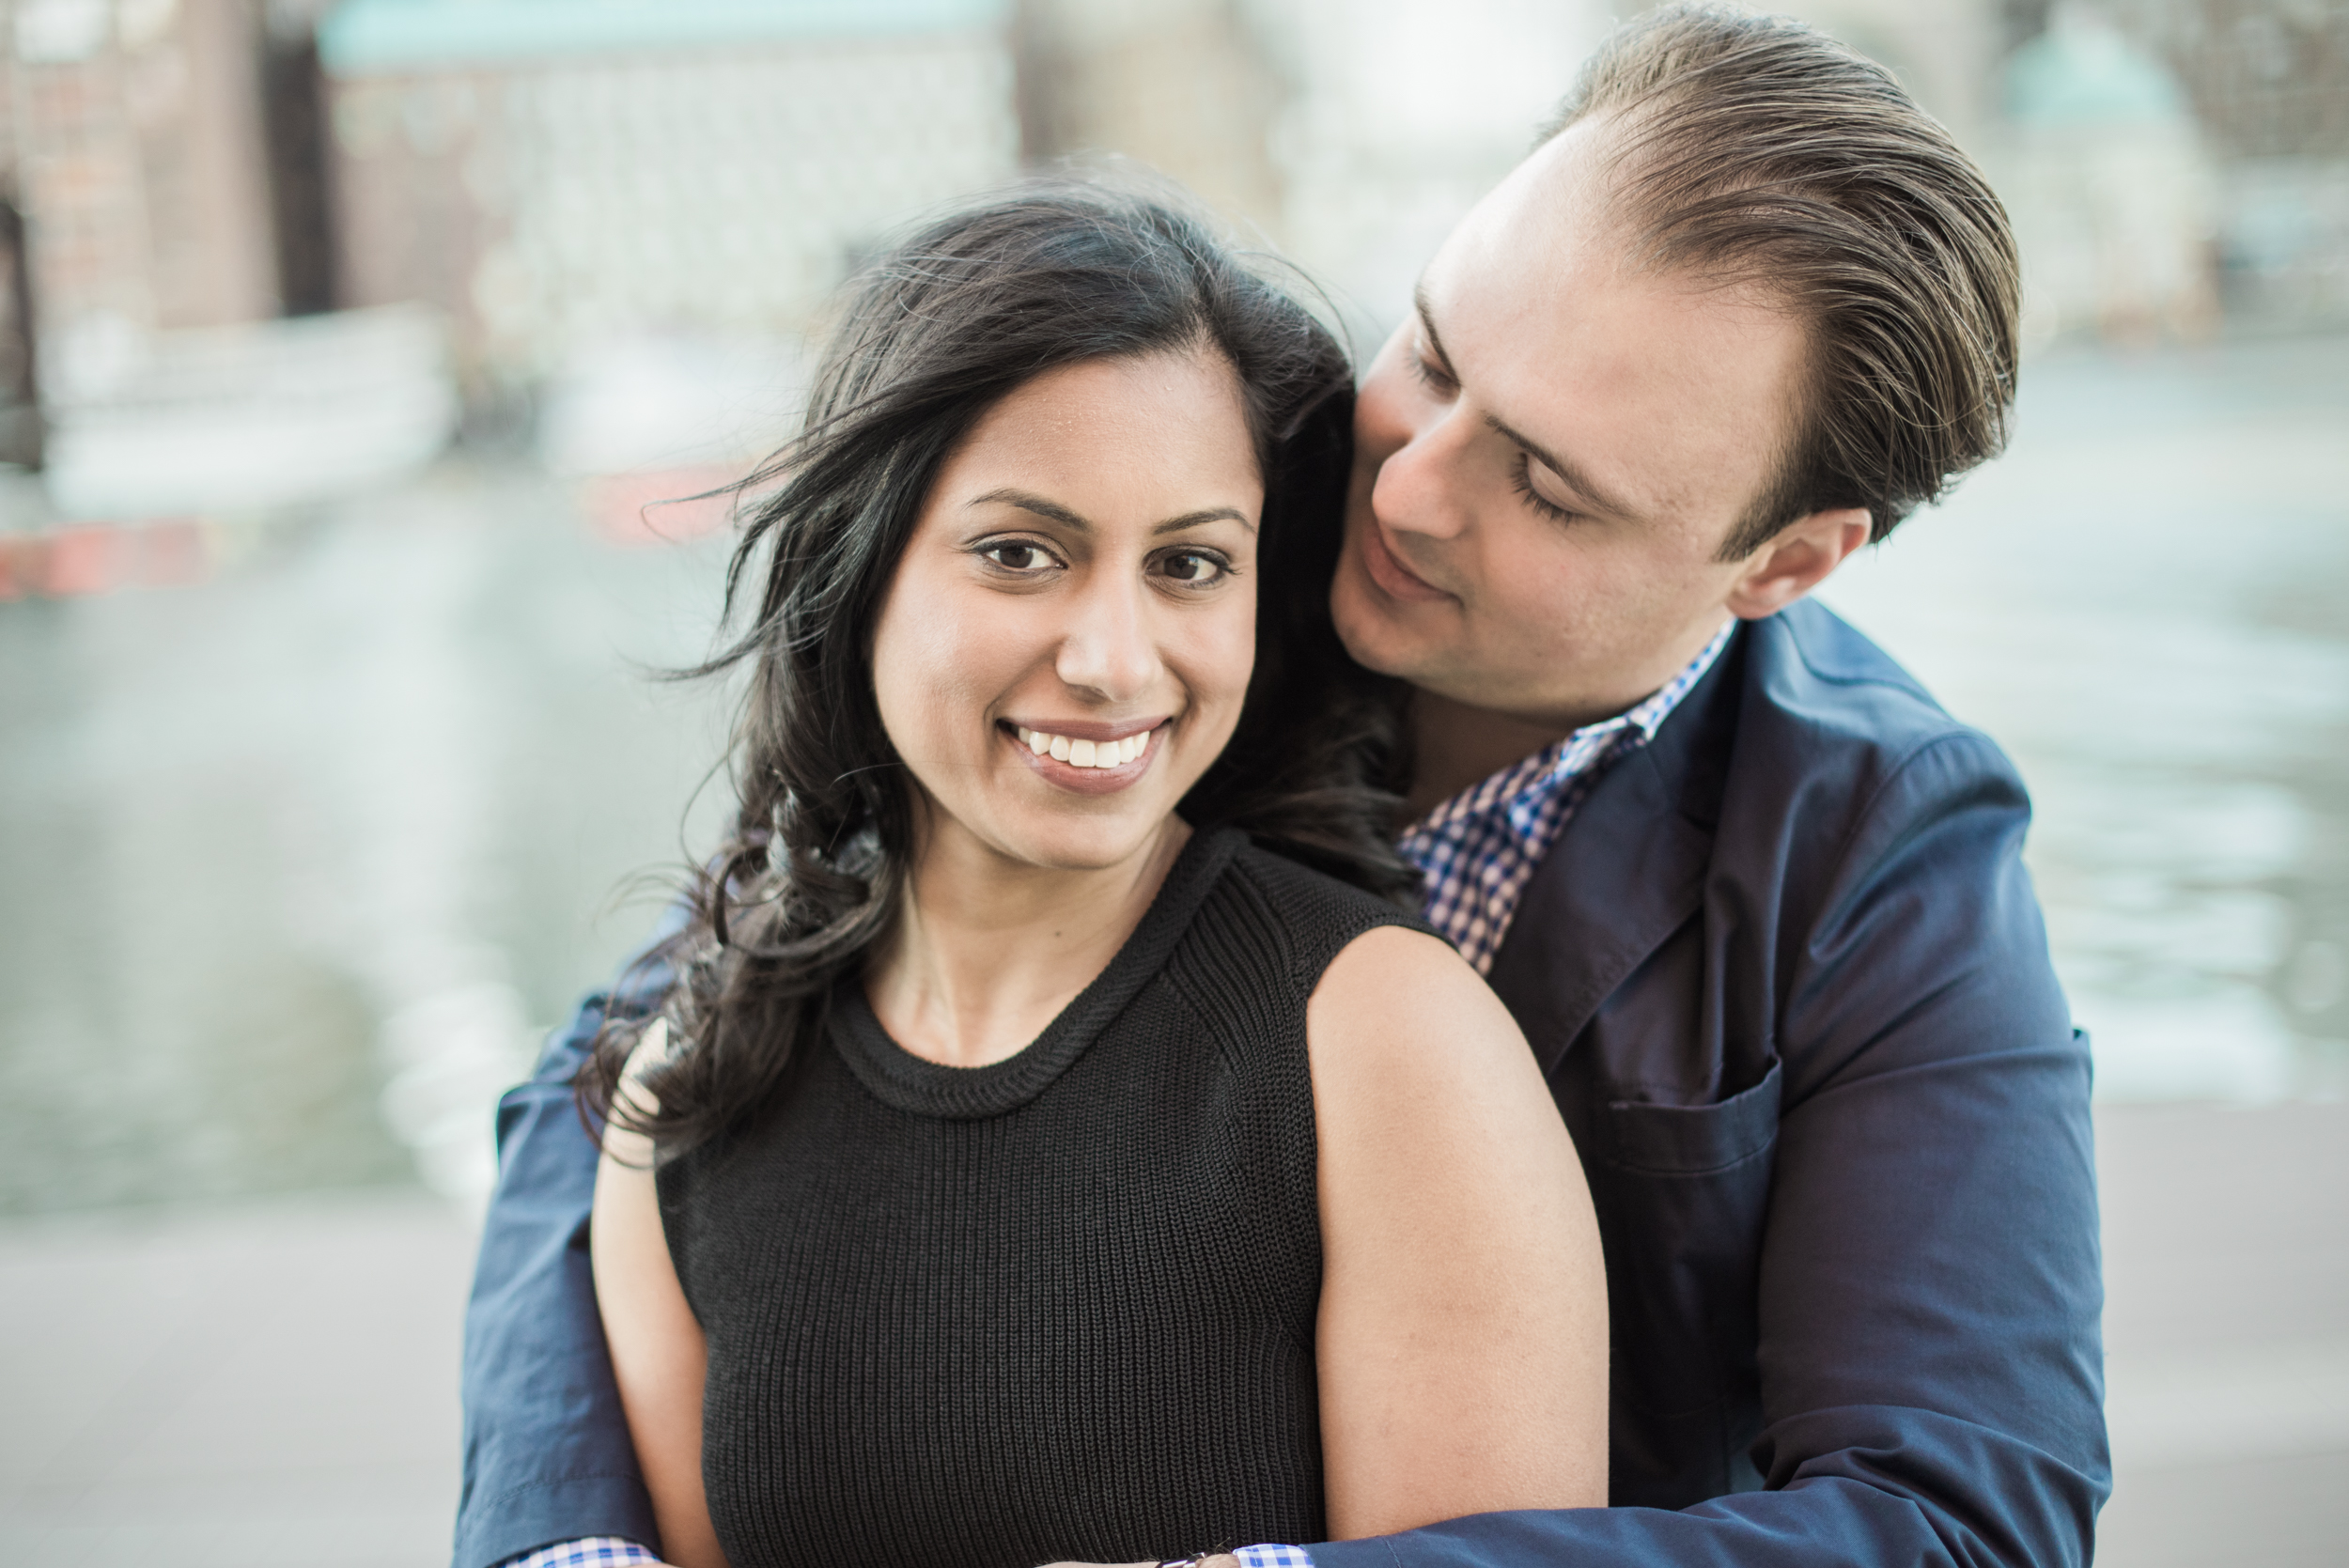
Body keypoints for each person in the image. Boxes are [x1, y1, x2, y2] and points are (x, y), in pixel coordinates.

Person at [457, 8, 2108, 1568]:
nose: (1407, 484)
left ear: (1787, 557)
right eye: (1439, 350)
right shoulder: (1214, 541)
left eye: (1545, 482)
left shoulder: (1883, 845)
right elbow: (656, 1032)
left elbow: (1962, 1521)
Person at [562, 189, 1608, 1568]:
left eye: (1188, 564)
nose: (1115, 659)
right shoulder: (689, 1103)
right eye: (1019, 553)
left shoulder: (1387, 1043)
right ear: (860, 566)